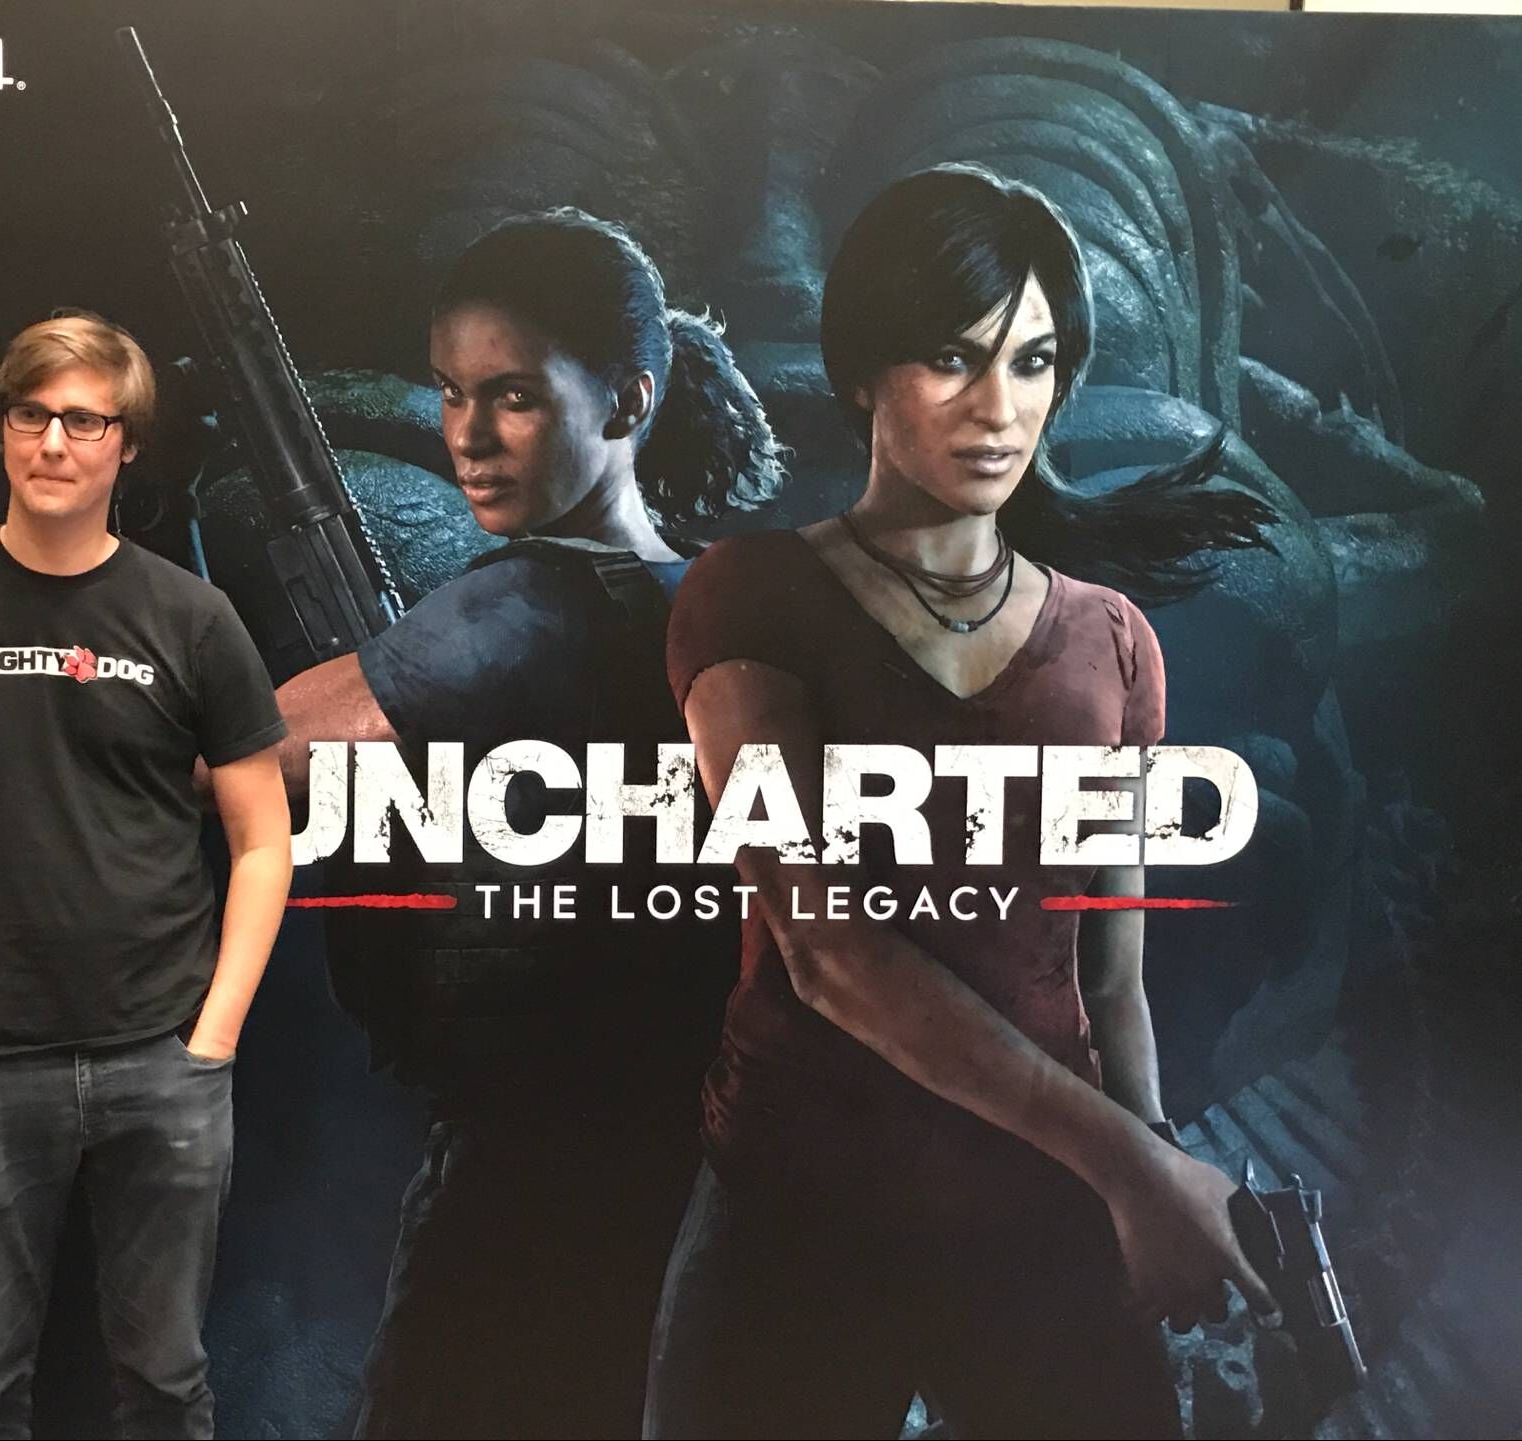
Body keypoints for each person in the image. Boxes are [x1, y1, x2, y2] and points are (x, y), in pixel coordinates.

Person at [644, 165, 1284, 1439]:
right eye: (952, 357)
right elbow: (828, 952)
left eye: (1033, 362)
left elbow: (1110, 976)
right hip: (798, 1215)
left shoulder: (1113, 640)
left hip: (1048, 1214)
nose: (1000, 407)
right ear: (862, 372)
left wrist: (1150, 1171)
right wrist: (1133, 1164)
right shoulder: (749, 595)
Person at [270, 208, 783, 1438]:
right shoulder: (720, 598)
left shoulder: (516, 607)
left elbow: (237, 761)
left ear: (627, 402)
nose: (467, 436)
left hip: (527, 1187)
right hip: (701, 1180)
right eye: (451, 392)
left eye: (513, 397)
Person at [0, 311, 293, 1439]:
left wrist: (214, 1039)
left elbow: (262, 837)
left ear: (126, 444)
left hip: (162, 1060)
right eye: (30, 414)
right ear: (2, 428)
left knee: (166, 1388)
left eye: (85, 420)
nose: (53, 441)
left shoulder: (193, 618)